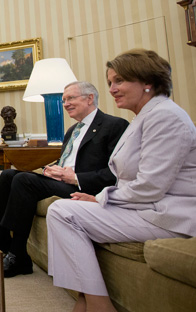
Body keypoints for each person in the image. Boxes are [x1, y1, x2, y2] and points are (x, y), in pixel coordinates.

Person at [46, 49, 196, 312]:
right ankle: (86, 298)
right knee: (63, 209)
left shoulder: (165, 116)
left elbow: (150, 186)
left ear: (148, 82)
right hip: (145, 207)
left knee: (62, 212)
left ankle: (98, 305)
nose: (113, 89)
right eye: (110, 82)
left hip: (168, 215)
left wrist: (100, 198)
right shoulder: (144, 117)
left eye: (120, 81)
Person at [0, 81, 129, 278]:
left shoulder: (114, 125)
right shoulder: (72, 131)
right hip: (61, 181)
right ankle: (2, 237)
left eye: (70, 98)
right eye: (64, 100)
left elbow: (115, 173)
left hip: (85, 187)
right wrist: (51, 170)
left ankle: (18, 255)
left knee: (23, 181)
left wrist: (75, 177)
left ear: (90, 98)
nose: (65, 104)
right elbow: (65, 160)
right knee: (8, 175)